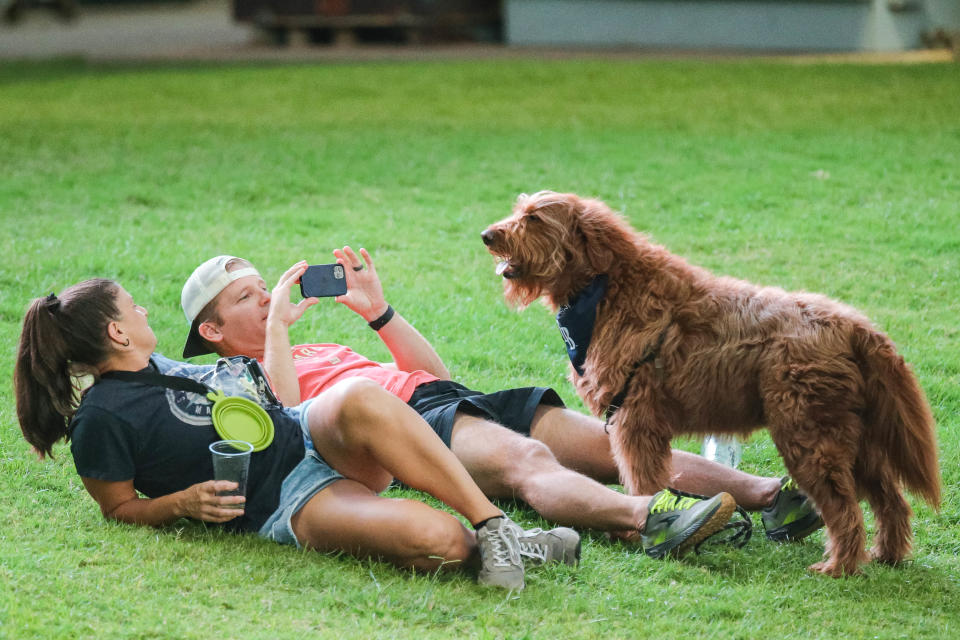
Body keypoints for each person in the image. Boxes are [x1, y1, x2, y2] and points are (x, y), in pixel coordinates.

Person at [182, 251, 824, 555]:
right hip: (415, 426)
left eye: (265, 289)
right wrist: (277, 334)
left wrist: (377, 312)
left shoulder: (307, 342)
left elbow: (434, 375)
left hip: (446, 399)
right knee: (528, 461)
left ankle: (771, 496)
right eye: (248, 299)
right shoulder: (236, 379)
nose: (268, 300)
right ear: (211, 331)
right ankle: (645, 520)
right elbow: (290, 420)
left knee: (612, 442)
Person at [13, 280, 594, 591]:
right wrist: (181, 503)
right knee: (436, 539)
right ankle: (507, 546)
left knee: (363, 397)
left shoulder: (159, 364)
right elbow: (117, 507)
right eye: (130, 306)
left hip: (303, 431)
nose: (142, 308)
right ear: (117, 331)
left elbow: (280, 399)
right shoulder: (101, 420)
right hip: (282, 498)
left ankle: (496, 527)